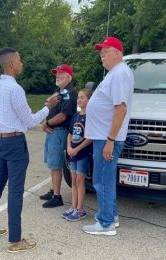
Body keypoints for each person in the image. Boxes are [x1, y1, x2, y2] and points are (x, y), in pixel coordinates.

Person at [0, 47, 59, 253]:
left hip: (2, 141)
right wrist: (48, 107)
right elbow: (30, 121)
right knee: (15, 190)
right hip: (15, 143)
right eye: (20, 60)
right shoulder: (15, 89)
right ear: (12, 64)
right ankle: (15, 240)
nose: (22, 63)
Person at [82, 37, 134, 235]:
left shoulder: (120, 74)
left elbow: (120, 108)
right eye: (100, 51)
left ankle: (105, 224)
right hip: (104, 136)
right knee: (106, 178)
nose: (101, 55)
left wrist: (110, 140)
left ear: (118, 53)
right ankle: (111, 216)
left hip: (107, 138)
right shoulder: (116, 73)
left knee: (102, 180)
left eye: (106, 51)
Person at [40, 64, 78, 208]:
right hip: (53, 131)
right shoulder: (59, 92)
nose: (58, 76)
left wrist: (46, 123)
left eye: (61, 73)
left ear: (69, 76)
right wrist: (47, 123)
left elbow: (63, 116)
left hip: (60, 131)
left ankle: (57, 196)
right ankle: (52, 190)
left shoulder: (68, 93)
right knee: (52, 163)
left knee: (56, 165)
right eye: (56, 73)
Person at [61, 88, 93, 221]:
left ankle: (80, 209)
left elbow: (90, 137)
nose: (79, 100)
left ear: (89, 100)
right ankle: (73, 207)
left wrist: (77, 149)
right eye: (78, 97)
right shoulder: (76, 116)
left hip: (82, 153)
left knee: (80, 180)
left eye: (82, 97)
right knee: (73, 179)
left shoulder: (90, 116)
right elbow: (70, 133)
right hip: (72, 152)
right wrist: (69, 147)